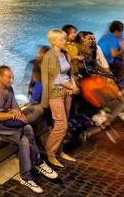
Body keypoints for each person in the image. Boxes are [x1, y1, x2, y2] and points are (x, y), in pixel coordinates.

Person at [0, 66, 57, 194]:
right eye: (8, 77)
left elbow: (15, 105)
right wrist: (12, 115)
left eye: (12, 77)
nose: (11, 80)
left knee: (27, 127)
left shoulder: (9, 88)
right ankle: (26, 176)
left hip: (6, 121)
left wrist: (17, 112)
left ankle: (37, 162)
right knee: (24, 138)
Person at [41, 30, 79, 168]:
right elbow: (56, 78)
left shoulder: (66, 54)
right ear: (54, 41)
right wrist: (71, 87)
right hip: (56, 94)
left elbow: (70, 74)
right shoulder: (50, 56)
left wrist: (73, 86)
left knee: (65, 123)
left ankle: (60, 150)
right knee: (61, 125)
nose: (65, 41)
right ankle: (50, 152)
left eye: (64, 39)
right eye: (62, 39)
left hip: (68, 93)